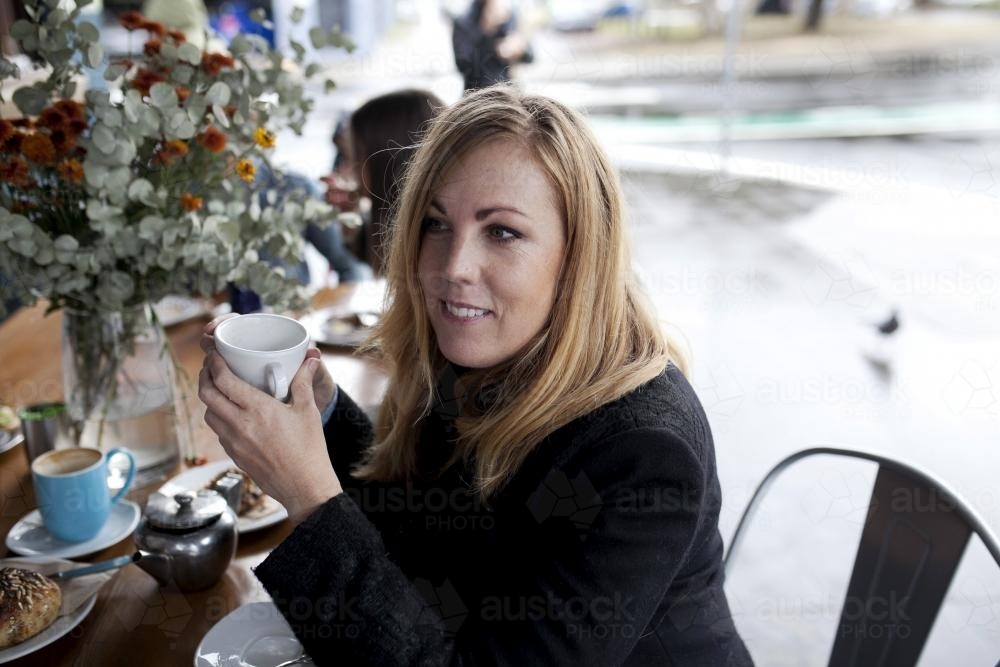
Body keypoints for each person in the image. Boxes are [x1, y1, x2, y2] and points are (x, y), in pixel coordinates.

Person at [199, 85, 753, 665]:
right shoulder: (483, 353)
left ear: (579, 254)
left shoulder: (642, 454)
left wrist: (308, 499)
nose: (452, 268)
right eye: (437, 224)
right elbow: (424, 532)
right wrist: (323, 412)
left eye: (502, 232)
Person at [323, 89, 442, 276]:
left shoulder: (433, 241)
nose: (346, 171)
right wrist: (350, 216)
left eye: (355, 158)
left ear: (386, 163)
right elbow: (372, 254)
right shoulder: (402, 226)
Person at [451, 0, 533, 92]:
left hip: (508, 93)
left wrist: (518, 50)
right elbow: (463, 65)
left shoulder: (510, 17)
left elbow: (530, 56)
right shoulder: (464, 21)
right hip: (476, 96)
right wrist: (487, 29)